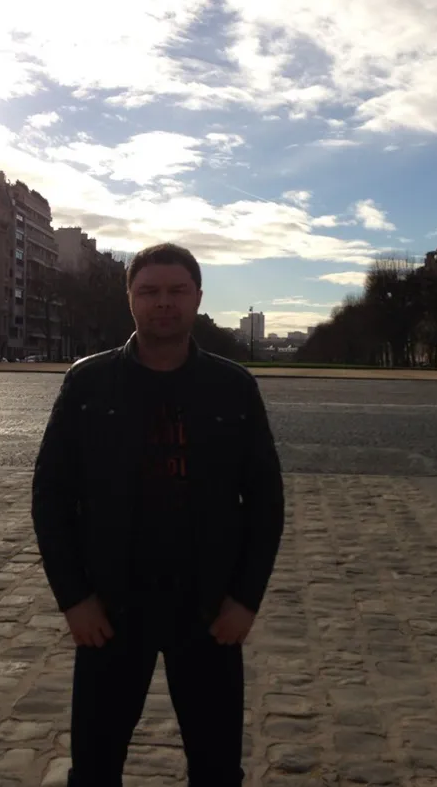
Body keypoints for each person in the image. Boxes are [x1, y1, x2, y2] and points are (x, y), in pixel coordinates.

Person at [32, 243, 285, 787]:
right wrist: (74, 599)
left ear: (198, 297)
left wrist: (245, 599)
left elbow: (266, 502)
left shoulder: (234, 387)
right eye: (149, 291)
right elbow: (51, 496)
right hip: (110, 607)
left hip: (208, 608)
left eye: (176, 291)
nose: (163, 303)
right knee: (94, 769)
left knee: (218, 769)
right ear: (130, 298)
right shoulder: (87, 382)